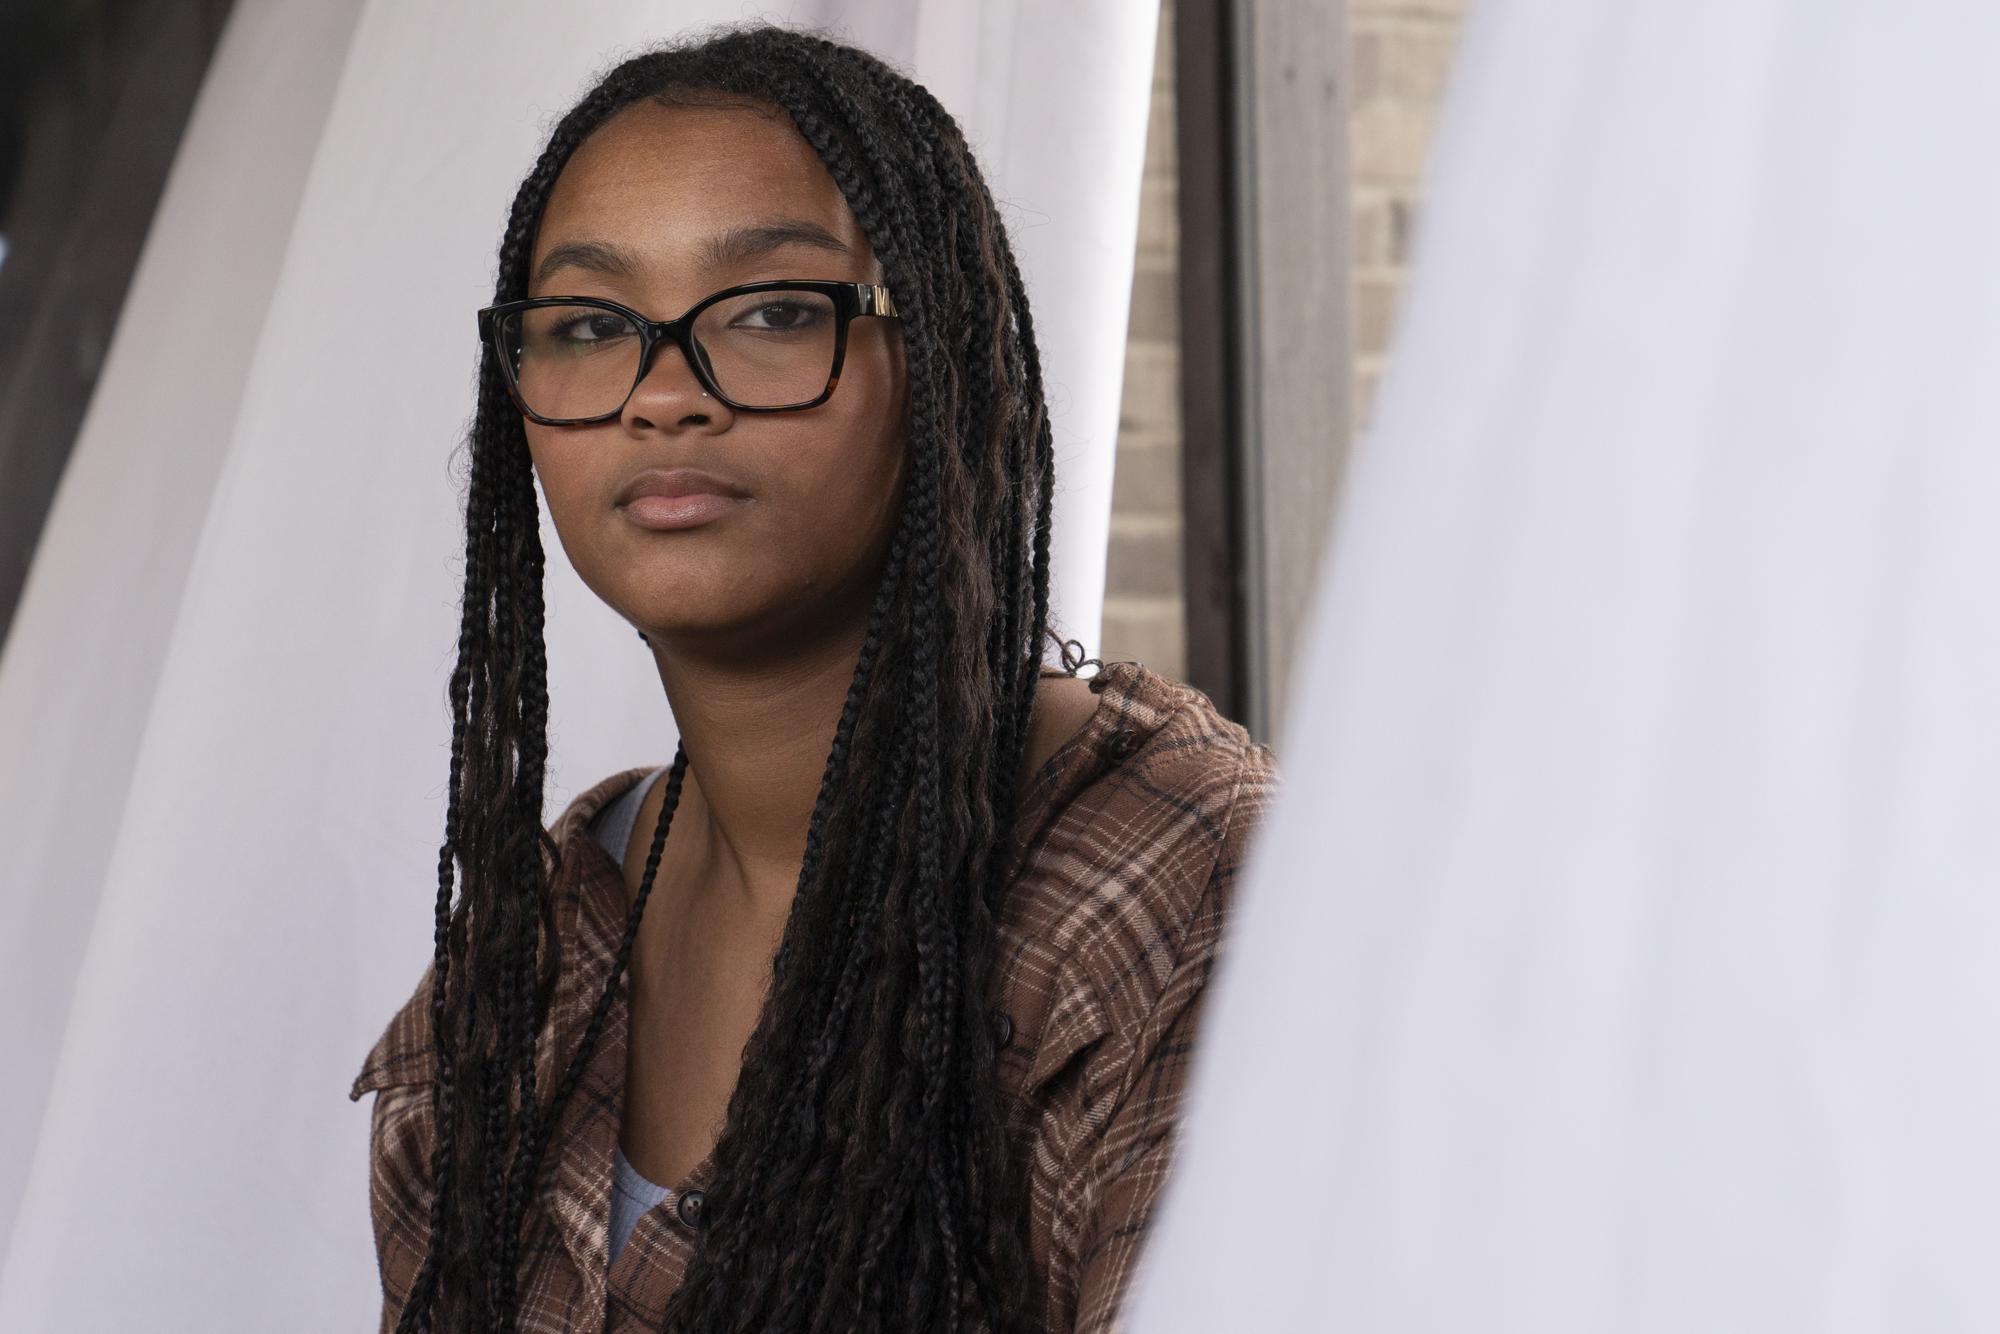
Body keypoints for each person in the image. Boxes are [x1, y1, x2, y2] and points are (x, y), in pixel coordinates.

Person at [346, 22, 1276, 1334]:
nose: (662, 395)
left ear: (944, 361)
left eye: (776, 311)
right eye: (591, 323)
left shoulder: (1182, 907)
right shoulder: (539, 953)